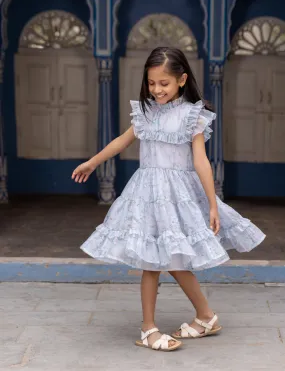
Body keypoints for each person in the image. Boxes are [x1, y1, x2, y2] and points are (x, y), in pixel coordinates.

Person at [72, 47, 266, 352]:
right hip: (147, 195)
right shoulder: (145, 112)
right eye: (152, 83)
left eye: (164, 83)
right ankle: (177, 322)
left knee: (171, 260)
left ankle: (189, 320)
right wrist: (93, 162)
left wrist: (213, 204)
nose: (156, 89)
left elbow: (201, 161)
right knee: (156, 260)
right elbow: (122, 141)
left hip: (179, 197)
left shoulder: (192, 115)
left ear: (182, 80)